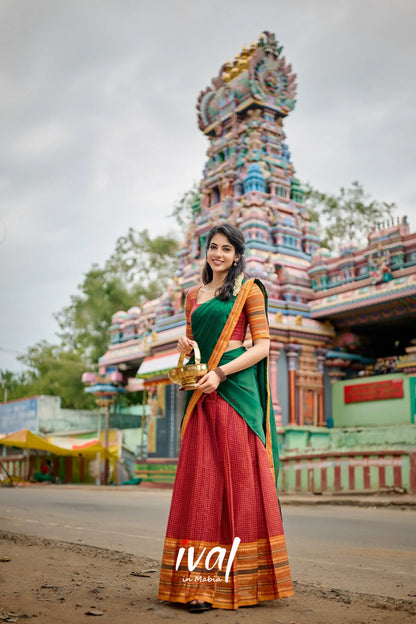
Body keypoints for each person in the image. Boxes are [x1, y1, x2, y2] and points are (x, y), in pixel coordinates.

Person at [158, 223, 293, 613]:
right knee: (202, 483)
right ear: (207, 251)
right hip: (202, 394)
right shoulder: (192, 296)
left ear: (237, 255)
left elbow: (263, 346)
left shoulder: (247, 290)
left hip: (234, 392)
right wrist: (186, 352)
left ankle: (247, 581)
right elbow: (194, 349)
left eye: (226, 249)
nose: (218, 254)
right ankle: (198, 585)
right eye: (213, 247)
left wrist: (220, 373)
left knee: (238, 483)